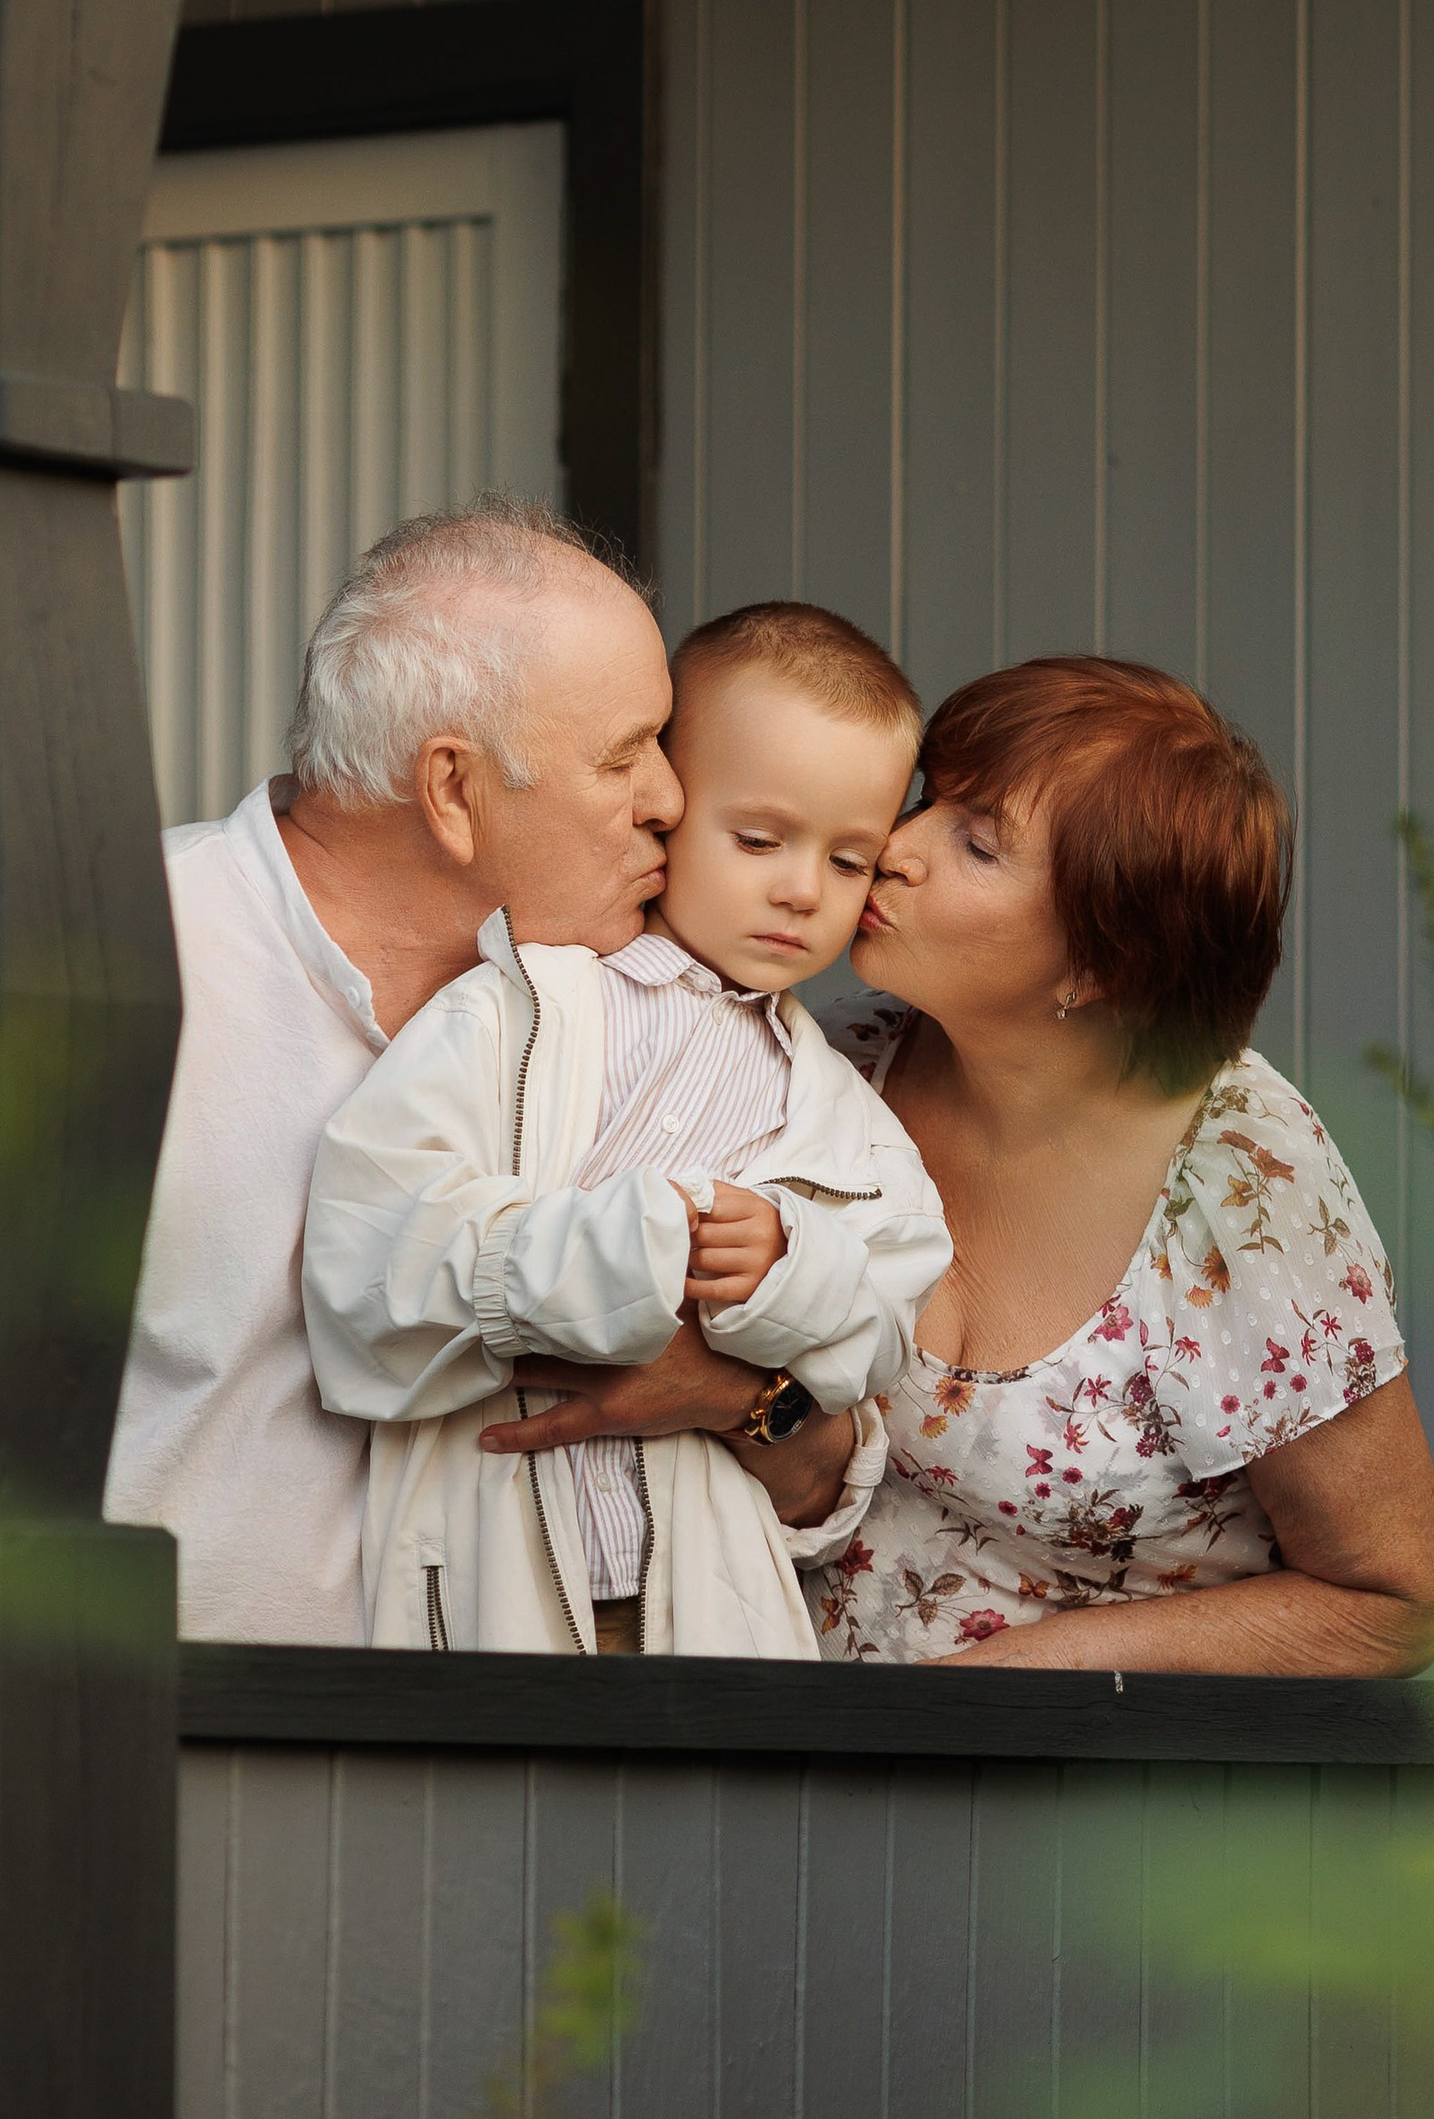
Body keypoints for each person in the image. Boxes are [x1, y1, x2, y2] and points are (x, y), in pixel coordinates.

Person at [103, 504, 860, 1641]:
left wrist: (743, 1399)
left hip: (541, 1788)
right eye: (626, 753)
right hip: (143, 1767)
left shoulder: (693, 1013)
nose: (670, 798)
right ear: (451, 789)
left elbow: (825, 1484)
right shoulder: (107, 966)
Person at [302, 602, 949, 1656]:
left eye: (848, 860)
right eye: (759, 838)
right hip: (487, 1592)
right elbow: (368, 1252)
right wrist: (620, 1256)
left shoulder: (846, 1118)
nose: (800, 889)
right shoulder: (511, 1009)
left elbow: (884, 1330)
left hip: (707, 1615)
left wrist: (790, 1269)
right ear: (666, 809)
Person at [812, 655, 1434, 1672]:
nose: (894, 846)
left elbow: (1386, 1601)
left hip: (1088, 1802)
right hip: (789, 1766)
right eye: (931, 801)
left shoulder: (1243, 1180)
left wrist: (1024, 1680)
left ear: (1099, 962)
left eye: (975, 843)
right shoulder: (839, 1065)